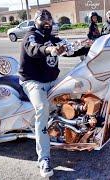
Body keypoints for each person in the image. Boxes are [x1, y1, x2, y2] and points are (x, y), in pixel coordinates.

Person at [19, 9, 71, 178]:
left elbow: (68, 46)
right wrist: (50, 50)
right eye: (43, 19)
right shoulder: (31, 36)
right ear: (36, 21)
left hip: (51, 80)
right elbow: (34, 49)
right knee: (42, 108)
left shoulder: (52, 38)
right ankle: (43, 158)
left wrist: (86, 47)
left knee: (76, 89)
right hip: (32, 81)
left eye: (49, 19)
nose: (47, 22)